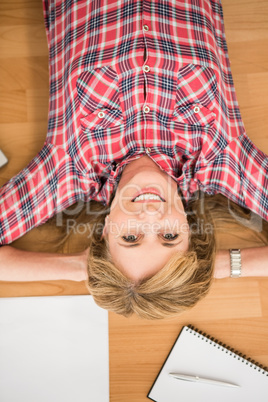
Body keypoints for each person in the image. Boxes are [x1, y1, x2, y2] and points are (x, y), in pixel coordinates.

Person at [0, 0, 267, 319]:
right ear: (190, 229)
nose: (151, 215)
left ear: (104, 232)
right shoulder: (223, 157)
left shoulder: (68, 168)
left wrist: (81, 267)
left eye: (130, 237)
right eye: (169, 236)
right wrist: (215, 266)